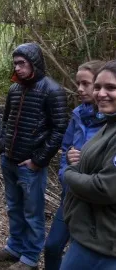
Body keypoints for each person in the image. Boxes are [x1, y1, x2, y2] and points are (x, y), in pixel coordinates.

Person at [0, 43, 68, 270]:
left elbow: (60, 128)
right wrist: (2, 145)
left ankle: (30, 257)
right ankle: (15, 247)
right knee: (14, 207)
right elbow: (8, 121)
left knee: (33, 213)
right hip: (9, 160)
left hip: (30, 165)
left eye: (22, 63)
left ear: (34, 63)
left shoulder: (52, 90)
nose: (18, 68)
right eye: (16, 63)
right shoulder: (15, 89)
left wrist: (38, 160)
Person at [44, 60, 106, 270]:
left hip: (97, 206)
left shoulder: (109, 124)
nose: (79, 89)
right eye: (78, 83)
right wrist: (65, 174)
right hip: (70, 196)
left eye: (86, 84)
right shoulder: (79, 114)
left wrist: (83, 163)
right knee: (52, 247)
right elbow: (66, 149)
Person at [60, 60, 116, 269]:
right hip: (88, 235)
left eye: (111, 87)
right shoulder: (109, 125)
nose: (101, 94)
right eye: (99, 87)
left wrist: (69, 174)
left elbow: (105, 188)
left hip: (102, 245)